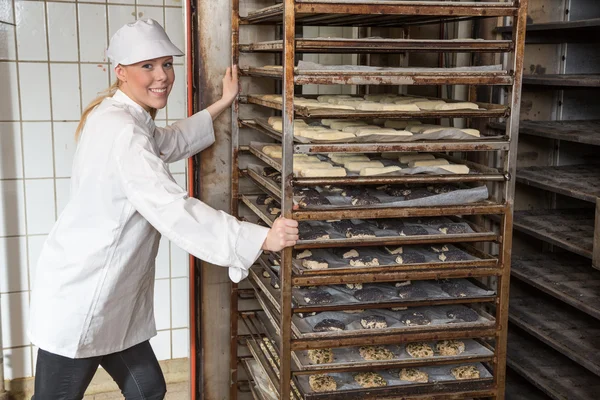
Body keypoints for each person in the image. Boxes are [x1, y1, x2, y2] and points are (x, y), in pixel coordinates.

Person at [28, 18, 298, 399]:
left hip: (110, 297)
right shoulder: (123, 132)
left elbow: (167, 143)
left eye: (167, 64)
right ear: (121, 72)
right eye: (147, 66)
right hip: (84, 299)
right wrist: (257, 238)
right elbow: (172, 208)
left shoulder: (120, 116)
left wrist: (222, 103)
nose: (162, 76)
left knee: (148, 390)